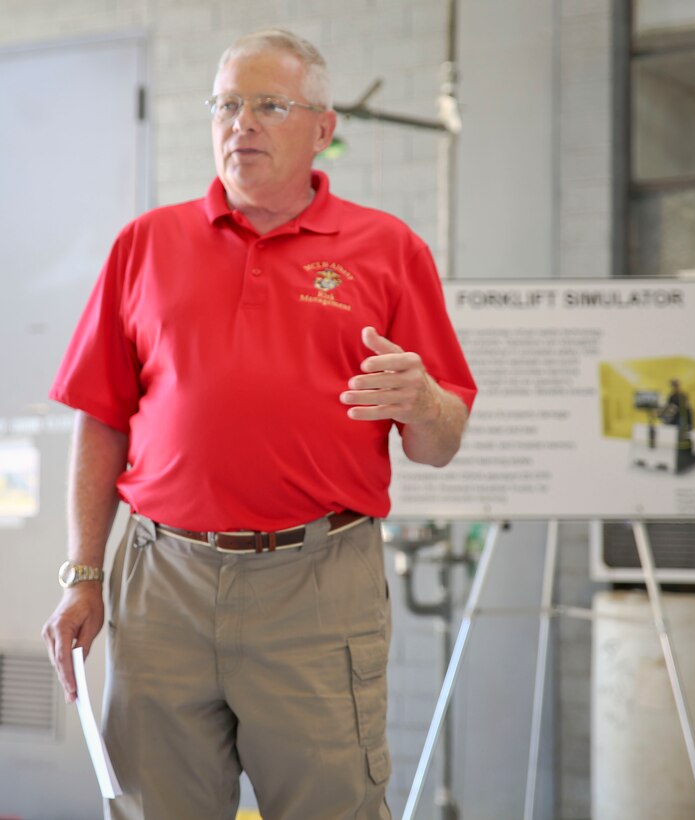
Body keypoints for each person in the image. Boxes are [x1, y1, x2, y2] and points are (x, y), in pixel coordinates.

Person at [41, 28, 476, 820]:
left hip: (317, 585)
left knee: (332, 807)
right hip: (160, 582)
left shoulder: (387, 249)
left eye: (268, 105)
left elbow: (440, 443)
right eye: (226, 104)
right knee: (151, 808)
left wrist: (424, 404)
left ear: (322, 129)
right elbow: (101, 419)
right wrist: (84, 572)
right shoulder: (145, 244)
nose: (240, 123)